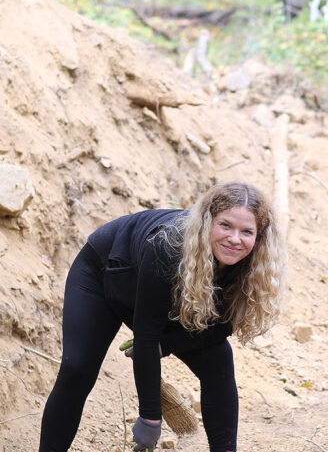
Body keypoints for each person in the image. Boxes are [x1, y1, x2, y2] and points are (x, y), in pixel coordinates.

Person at [39, 182, 286, 452]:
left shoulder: (251, 263)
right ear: (207, 221)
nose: (235, 239)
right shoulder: (168, 246)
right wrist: (150, 419)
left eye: (247, 231)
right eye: (225, 225)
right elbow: (146, 336)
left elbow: (223, 327)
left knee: (219, 359)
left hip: (160, 291)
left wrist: (166, 346)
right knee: (77, 368)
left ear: (259, 236)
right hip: (103, 274)